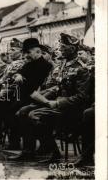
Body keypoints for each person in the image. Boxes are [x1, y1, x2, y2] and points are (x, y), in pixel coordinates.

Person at [14, 33, 90, 163]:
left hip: (71, 108)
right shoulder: (62, 66)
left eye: (63, 47)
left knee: (34, 116)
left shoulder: (81, 69)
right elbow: (56, 88)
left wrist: (57, 103)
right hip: (56, 104)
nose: (59, 49)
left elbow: (82, 97)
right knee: (23, 111)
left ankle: (53, 151)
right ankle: (29, 151)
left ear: (72, 49)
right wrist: (42, 99)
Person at [0, 38, 53, 151]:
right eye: (25, 52)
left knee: (14, 112)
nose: (26, 55)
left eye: (28, 52)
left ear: (37, 51)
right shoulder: (29, 64)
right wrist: (18, 76)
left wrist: (21, 79)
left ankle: (19, 144)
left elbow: (35, 84)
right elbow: (19, 74)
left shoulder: (45, 66)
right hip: (20, 94)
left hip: (34, 97)